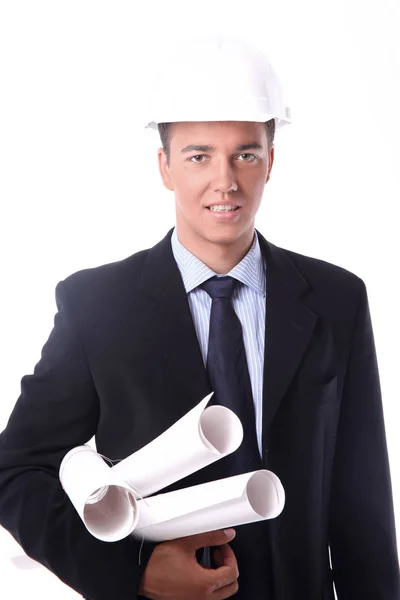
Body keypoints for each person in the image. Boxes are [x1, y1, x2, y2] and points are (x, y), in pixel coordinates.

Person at [0, 33, 399, 600]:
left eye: (245, 153)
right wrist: (132, 573)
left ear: (271, 160)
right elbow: (16, 471)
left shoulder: (337, 300)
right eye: (198, 156)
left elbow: (363, 505)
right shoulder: (96, 306)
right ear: (164, 166)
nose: (225, 182)